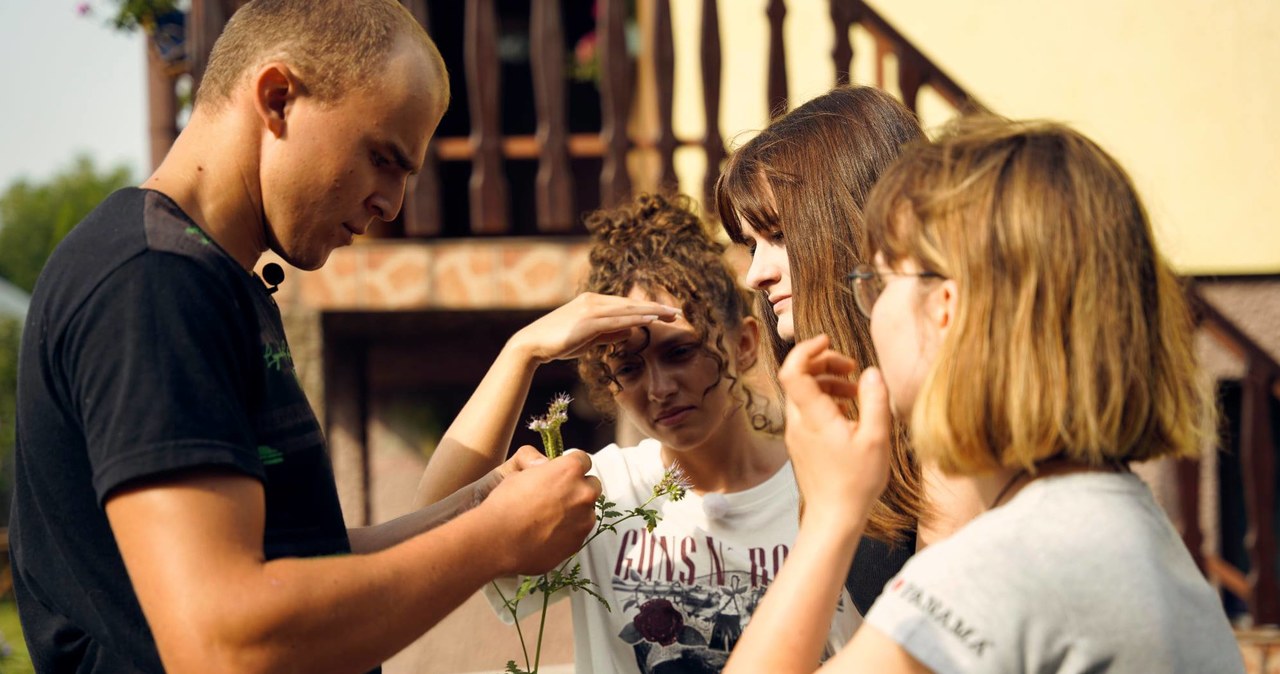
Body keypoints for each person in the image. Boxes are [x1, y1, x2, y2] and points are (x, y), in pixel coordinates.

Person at [8, 1, 605, 672]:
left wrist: (480, 506)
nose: (392, 204)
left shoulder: (215, 277)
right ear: (277, 97)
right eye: (383, 158)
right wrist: (495, 540)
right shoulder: (151, 284)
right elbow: (223, 643)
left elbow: (301, 561)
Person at [723, 118, 1246, 673]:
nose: (869, 311)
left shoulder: (1008, 566)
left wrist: (832, 513)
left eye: (877, 282)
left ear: (943, 307)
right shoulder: (1116, 522)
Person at [427, 193, 857, 673]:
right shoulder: (597, 494)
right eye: (629, 367)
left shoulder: (826, 485)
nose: (659, 389)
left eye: (680, 353)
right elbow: (431, 537)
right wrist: (522, 351)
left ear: (744, 344)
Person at [714, 86, 929, 612]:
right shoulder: (840, 428)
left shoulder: (943, 430)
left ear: (851, 226)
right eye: (751, 244)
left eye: (780, 236)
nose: (755, 274)